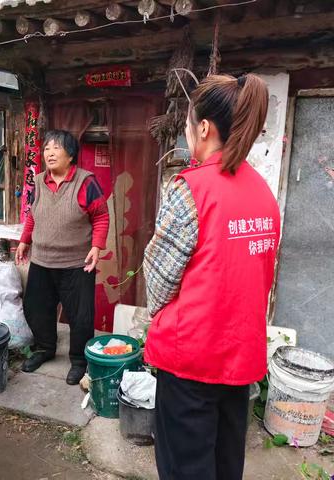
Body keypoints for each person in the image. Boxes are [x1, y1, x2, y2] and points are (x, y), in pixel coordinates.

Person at [143, 74, 281, 480]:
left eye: (188, 124)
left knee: (185, 469)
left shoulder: (191, 188)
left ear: (203, 128)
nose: (187, 132)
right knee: (224, 466)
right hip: (239, 357)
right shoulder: (263, 193)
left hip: (191, 361)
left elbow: (159, 280)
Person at [16, 130, 109, 385]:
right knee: (37, 309)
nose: (50, 153)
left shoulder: (85, 182)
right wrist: (25, 240)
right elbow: (33, 214)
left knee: (80, 315)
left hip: (76, 263)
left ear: (71, 154)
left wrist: (97, 246)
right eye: (46, 148)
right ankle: (44, 349)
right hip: (42, 260)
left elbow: (101, 215)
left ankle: (79, 360)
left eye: (56, 148)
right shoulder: (37, 182)